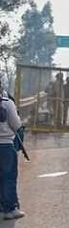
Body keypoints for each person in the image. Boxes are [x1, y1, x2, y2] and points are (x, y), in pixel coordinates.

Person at [0, 89, 24, 220]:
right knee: (8, 176)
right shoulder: (7, 103)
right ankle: (10, 209)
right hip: (5, 145)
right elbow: (16, 124)